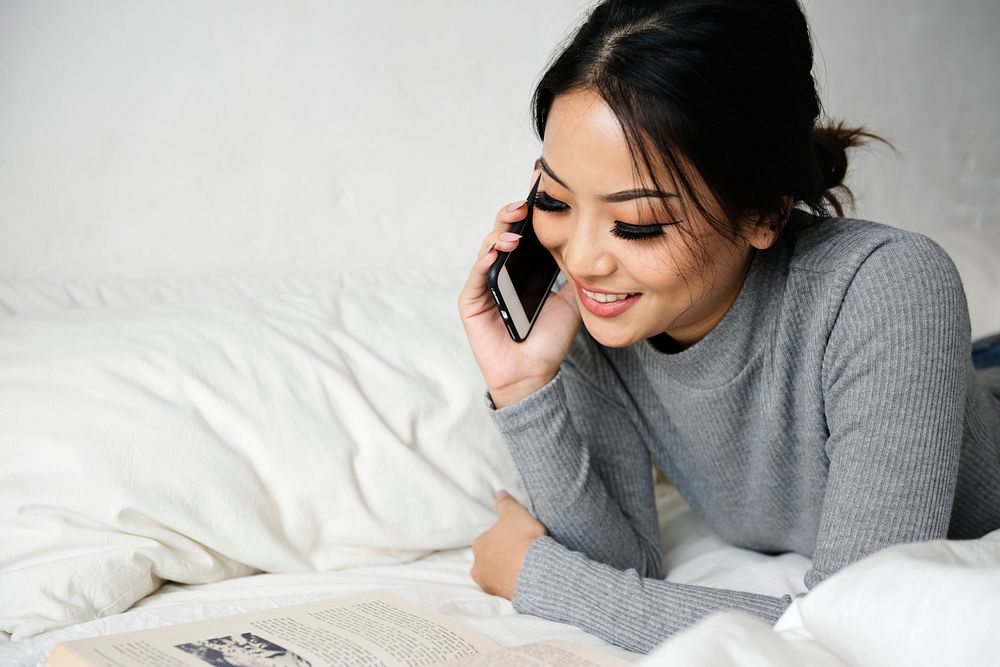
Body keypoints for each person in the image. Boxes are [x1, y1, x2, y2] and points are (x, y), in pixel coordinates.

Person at [456, 0, 1000, 655]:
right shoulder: (603, 310)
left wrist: (540, 577)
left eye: (637, 224)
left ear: (763, 216)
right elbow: (620, 553)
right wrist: (523, 385)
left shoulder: (888, 284)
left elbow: (857, 623)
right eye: (554, 200)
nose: (581, 257)